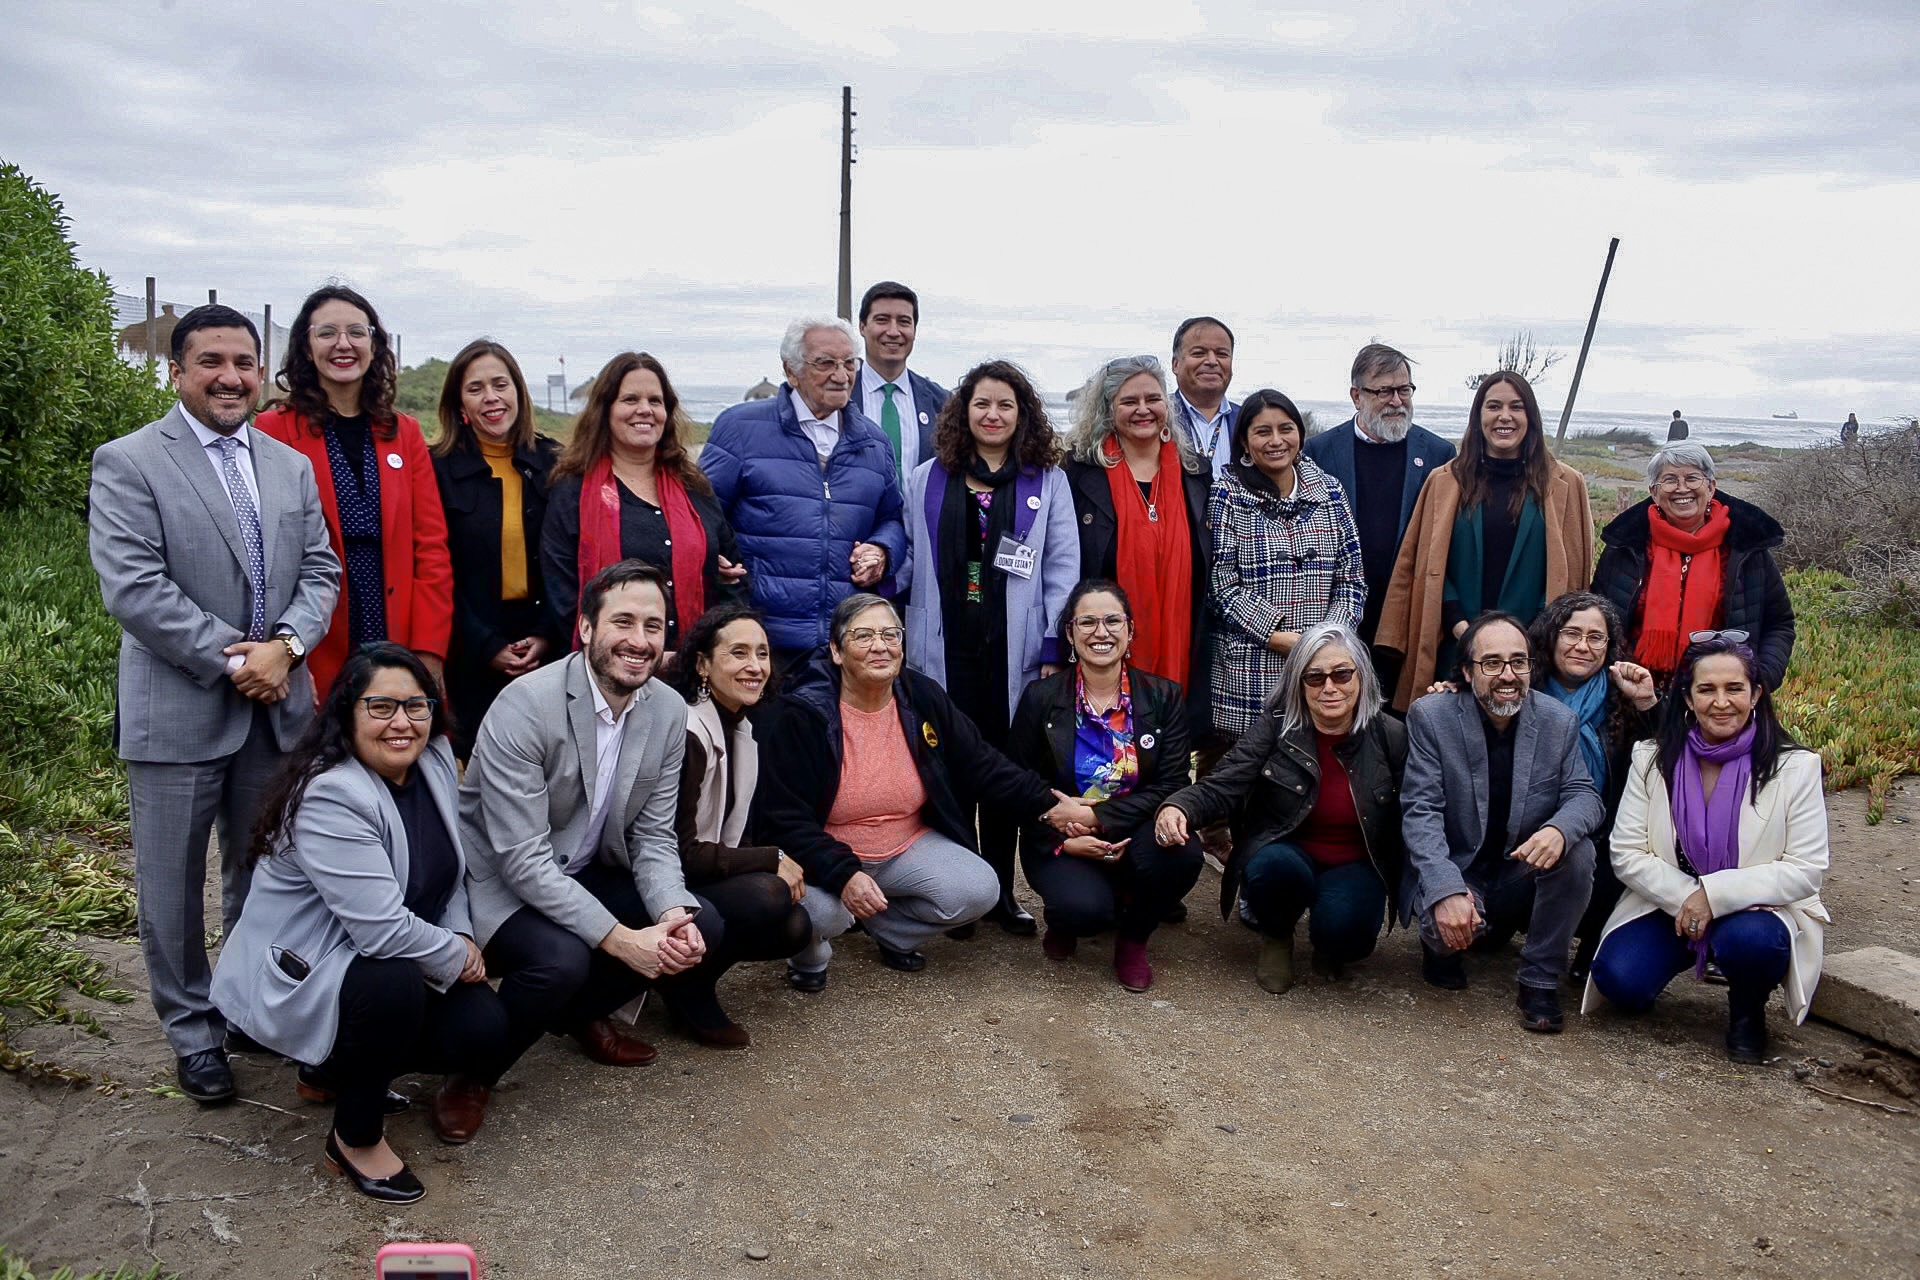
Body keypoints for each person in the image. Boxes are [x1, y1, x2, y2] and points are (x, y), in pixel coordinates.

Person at [88, 304, 341, 1103]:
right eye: (211, 362)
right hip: (181, 708)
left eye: (244, 361)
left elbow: (321, 574)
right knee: (170, 886)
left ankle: (242, 1008)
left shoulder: (287, 464)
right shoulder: (129, 462)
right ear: (178, 372)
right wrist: (240, 660)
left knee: (258, 873)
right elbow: (134, 588)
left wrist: (289, 649)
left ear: (260, 370)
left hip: (278, 708)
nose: (231, 376)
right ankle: (192, 1031)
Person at [211, 645, 510, 1203]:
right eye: (381, 707)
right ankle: (354, 1137)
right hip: (307, 969)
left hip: (379, 955)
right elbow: (381, 931)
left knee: (481, 1029)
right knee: (392, 982)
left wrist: (463, 932)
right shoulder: (332, 793)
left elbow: (453, 872)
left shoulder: (436, 760)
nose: (402, 723)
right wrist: (458, 955)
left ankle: (330, 1072)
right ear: (347, 713)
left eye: (416, 706)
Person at [456, 561, 709, 1133]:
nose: (640, 641)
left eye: (655, 625)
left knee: (700, 925)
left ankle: (580, 1014)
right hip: (498, 879)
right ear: (587, 627)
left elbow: (652, 834)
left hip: (585, 866)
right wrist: (622, 941)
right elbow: (522, 860)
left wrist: (672, 912)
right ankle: (473, 1074)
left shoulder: (668, 710)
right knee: (561, 959)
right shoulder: (524, 705)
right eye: (624, 621)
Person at [751, 594, 1088, 989]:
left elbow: (982, 764)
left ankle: (888, 930)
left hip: (904, 846)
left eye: (890, 634)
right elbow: (784, 818)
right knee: (821, 914)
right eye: (862, 636)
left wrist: (1048, 805)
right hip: (824, 854)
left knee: (980, 890)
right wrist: (844, 875)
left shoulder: (921, 696)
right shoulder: (803, 715)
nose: (880, 645)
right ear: (836, 651)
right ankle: (811, 955)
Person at [1583, 634, 1829, 1064]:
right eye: (1706, 689)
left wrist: (1714, 897)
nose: (1721, 702)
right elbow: (1626, 851)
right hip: (1671, 901)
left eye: (1734, 688)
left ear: (1755, 694)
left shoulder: (1795, 767)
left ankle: (1747, 1012)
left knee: (1752, 943)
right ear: (1687, 697)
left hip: (1756, 909)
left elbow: (1806, 869)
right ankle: (1673, 957)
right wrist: (1689, 899)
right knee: (1619, 980)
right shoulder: (1653, 757)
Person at [899, 360, 1078, 933]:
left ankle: (1001, 891)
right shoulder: (928, 476)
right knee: (946, 769)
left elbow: (1061, 565)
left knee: (1005, 771)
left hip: (1015, 652)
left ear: (1022, 413)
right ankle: (962, 890)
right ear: (963, 412)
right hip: (944, 647)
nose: (993, 414)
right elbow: (907, 556)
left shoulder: (1045, 479)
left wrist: (1055, 642)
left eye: (1005, 404)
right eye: (982, 404)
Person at [1158, 622, 1405, 994]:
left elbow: (1419, 808)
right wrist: (1178, 807)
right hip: (1287, 849)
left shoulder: (1390, 735)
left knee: (1348, 934)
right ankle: (1277, 936)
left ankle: (1329, 944)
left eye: (1341, 673)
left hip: (1356, 861)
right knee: (1273, 867)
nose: (1330, 687)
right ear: (1298, 684)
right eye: (1314, 677)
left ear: (1362, 677)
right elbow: (1223, 782)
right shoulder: (1275, 729)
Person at [1400, 613, 1604, 1032]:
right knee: (1446, 935)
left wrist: (1558, 829)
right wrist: (1446, 889)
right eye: (1491, 663)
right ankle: (1445, 943)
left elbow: (1584, 795)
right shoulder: (1431, 717)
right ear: (1465, 671)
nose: (1507, 675)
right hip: (1460, 868)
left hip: (1517, 871)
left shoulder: (1557, 721)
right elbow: (1421, 811)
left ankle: (1539, 979)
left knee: (1578, 851)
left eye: (1518, 662)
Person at [255, 285, 454, 702]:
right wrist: (289, 652)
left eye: (356, 333)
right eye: (327, 333)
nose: (343, 344)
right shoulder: (275, 430)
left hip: (395, 629)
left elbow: (431, 548)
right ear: (306, 348)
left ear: (373, 345)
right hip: (317, 633)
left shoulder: (404, 433)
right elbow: (265, 555)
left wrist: (429, 650)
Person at [1006, 581, 1202, 991]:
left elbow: (1171, 783)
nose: (1101, 632)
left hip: (1135, 833)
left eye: (1113, 621)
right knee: (1083, 911)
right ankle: (1066, 917)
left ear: (1130, 630)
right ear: (1070, 634)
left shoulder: (1164, 697)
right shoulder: (1041, 698)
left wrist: (1097, 816)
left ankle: (1132, 939)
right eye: (1088, 622)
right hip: (1062, 835)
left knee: (1183, 853)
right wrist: (1059, 838)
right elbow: (1017, 782)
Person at [1376, 371, 1593, 711]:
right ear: (1478, 417)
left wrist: (1524, 638)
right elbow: (1426, 566)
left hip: (1532, 654)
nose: (1504, 416)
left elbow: (1572, 575)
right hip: (1455, 647)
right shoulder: (1444, 481)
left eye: (1516, 407)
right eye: (1493, 406)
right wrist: (1464, 628)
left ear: (1530, 418)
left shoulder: (1567, 484)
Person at [702, 317, 907, 668]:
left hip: (844, 644)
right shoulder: (739, 428)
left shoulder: (874, 441)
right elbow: (700, 513)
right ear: (791, 370)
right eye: (825, 363)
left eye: (848, 364)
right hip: (761, 642)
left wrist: (883, 551)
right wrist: (712, 557)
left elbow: (892, 519)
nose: (841, 375)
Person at [659, 605, 812, 1046]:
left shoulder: (739, 722)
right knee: (769, 894)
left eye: (762, 654)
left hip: (696, 871)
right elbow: (678, 852)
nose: (755, 666)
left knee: (795, 924)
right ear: (703, 663)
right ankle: (687, 988)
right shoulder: (687, 730)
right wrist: (770, 858)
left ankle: (684, 983)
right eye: (738, 653)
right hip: (654, 880)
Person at [541, 351, 745, 656]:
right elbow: (561, 592)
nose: (644, 410)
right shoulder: (573, 489)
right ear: (605, 409)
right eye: (630, 399)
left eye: (655, 401)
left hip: (689, 670)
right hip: (608, 670)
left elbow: (734, 578)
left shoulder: (693, 487)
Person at [1063, 354, 1214, 737]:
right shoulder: (1078, 471)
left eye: (1154, 399)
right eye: (1129, 402)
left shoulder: (1197, 472)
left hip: (1184, 643)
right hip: (1102, 640)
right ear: (1107, 409)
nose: (1143, 410)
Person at [1207, 388, 1366, 744]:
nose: (1276, 441)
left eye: (1286, 428)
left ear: (1300, 434)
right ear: (1245, 443)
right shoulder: (1226, 494)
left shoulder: (1330, 491)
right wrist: (1276, 635)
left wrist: (1326, 639)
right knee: (1244, 782)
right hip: (1251, 667)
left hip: (1323, 666)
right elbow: (1221, 586)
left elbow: (1352, 579)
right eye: (1263, 432)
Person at [429, 339, 562, 759]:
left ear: (518, 392)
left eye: (500, 385)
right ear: (459, 404)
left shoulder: (555, 462)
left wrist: (544, 634)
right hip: (470, 649)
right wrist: (486, 647)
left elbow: (569, 560)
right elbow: (435, 567)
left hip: (546, 646)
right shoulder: (436, 468)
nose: (491, 398)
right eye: (475, 389)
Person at [1525, 593, 1661, 982]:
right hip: (1525, 827)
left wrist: (1650, 704)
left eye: (1595, 637)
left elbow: (1669, 758)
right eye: (1571, 633)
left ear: (1610, 646)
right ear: (1551, 635)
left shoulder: (1624, 696)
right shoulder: (1520, 688)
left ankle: (1592, 944)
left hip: (1602, 833)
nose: (1582, 646)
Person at [1591, 442, 1796, 691]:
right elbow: (1598, 621)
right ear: (1654, 492)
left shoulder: (1745, 549)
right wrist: (1612, 675)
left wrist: (1759, 679)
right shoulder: (1625, 547)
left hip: (1718, 697)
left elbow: (1779, 623)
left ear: (1711, 487)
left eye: (1692, 478)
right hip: (1633, 693)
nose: (1681, 488)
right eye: (1669, 480)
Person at [1300, 343, 1456, 663]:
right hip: (1337, 610)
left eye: (1404, 389)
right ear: (1357, 396)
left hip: (1406, 613)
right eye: (1384, 391)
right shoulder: (1318, 452)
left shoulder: (1438, 455)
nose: (1396, 401)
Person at [855, 280, 949, 483]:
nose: (893, 331)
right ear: (862, 326)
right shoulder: (839, 399)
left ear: (914, 329)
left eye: (904, 322)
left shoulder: (942, 403)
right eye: (882, 320)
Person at [1169, 316, 1238, 474]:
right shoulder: (1156, 419)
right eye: (1199, 353)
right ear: (1176, 364)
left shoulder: (1248, 422)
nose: (1212, 361)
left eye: (1222, 354)